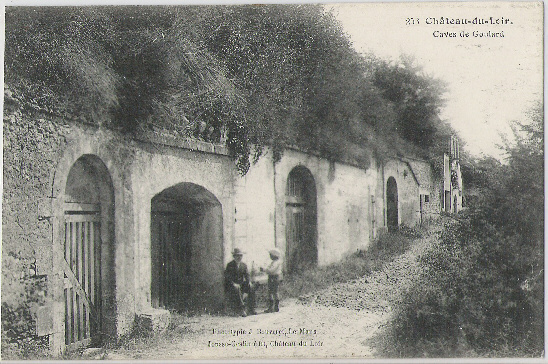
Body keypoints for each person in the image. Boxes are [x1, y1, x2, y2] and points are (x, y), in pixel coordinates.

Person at [224, 248, 257, 316]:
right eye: (237, 256)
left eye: (241, 256)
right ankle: (241, 309)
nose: (239, 257)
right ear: (234, 256)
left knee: (251, 286)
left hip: (241, 284)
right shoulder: (230, 265)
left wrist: (249, 282)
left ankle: (251, 308)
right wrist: (233, 284)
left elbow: (247, 275)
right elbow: (227, 277)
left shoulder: (244, 265)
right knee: (237, 288)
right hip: (231, 285)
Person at [261, 248, 283, 313]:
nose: (270, 256)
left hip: (273, 278)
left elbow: (271, 270)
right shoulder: (276, 262)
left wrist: (264, 269)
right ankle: (275, 307)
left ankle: (272, 307)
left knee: (271, 292)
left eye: (271, 255)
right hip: (276, 277)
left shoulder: (275, 263)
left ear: (274, 255)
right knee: (275, 292)